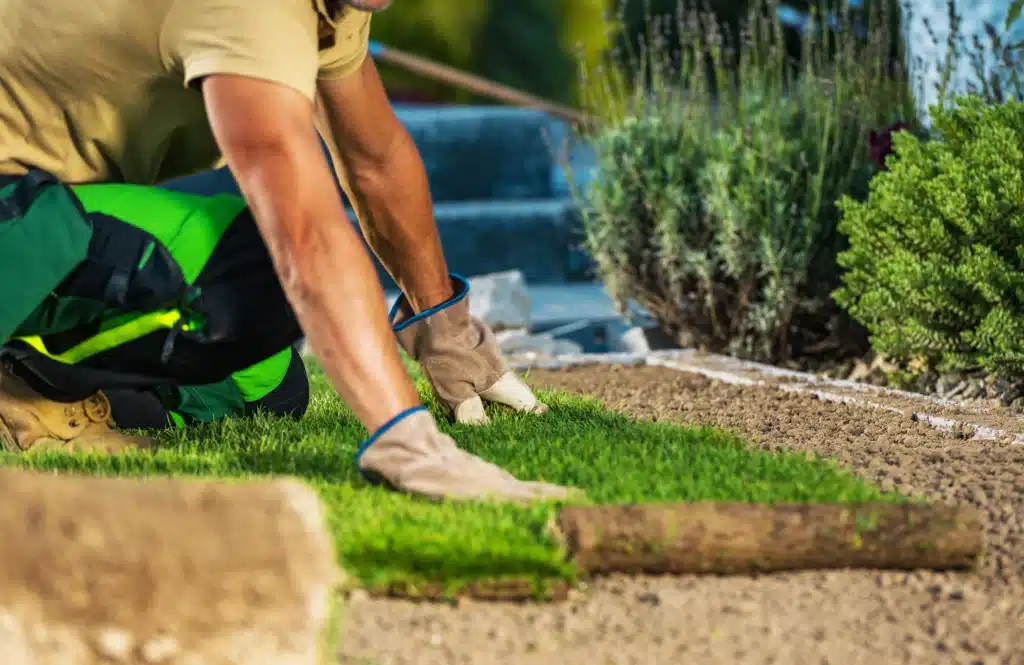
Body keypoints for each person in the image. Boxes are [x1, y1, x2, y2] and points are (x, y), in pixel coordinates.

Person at [0, 0, 578, 502]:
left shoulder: (327, 9)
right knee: (252, 276)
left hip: (33, 203)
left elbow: (374, 160)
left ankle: (37, 386)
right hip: (20, 213)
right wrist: (410, 441)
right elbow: (303, 231)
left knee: (261, 386)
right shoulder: (249, 8)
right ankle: (29, 376)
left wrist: (446, 333)